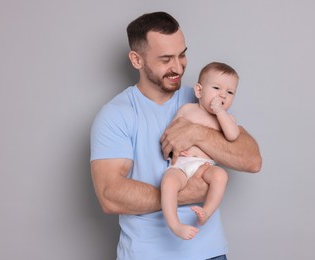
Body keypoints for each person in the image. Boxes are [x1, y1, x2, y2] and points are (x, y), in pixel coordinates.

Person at [90, 11, 262, 260]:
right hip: (145, 255)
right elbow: (110, 196)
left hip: (209, 253)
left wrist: (196, 132)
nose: (178, 66)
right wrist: (186, 193)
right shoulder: (116, 115)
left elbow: (251, 159)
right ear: (137, 60)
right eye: (165, 59)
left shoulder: (203, 97)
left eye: (182, 54)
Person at [161, 62, 240, 240]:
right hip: (181, 164)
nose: (222, 95)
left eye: (230, 92)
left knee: (221, 176)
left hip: (205, 167)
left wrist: (220, 112)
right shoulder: (187, 110)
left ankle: (207, 211)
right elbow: (170, 135)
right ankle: (174, 224)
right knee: (168, 182)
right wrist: (177, 151)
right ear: (199, 91)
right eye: (217, 88)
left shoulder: (227, 119)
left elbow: (233, 135)